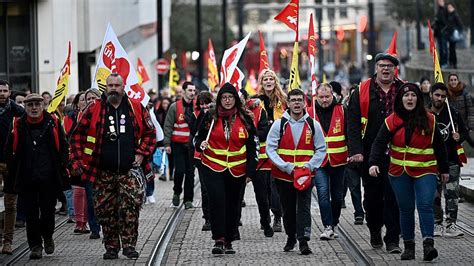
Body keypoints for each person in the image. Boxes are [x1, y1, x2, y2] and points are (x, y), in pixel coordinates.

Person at [69, 73, 156, 260]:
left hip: (129, 171)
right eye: (110, 85)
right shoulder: (94, 109)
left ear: (123, 87)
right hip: (102, 172)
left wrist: (141, 152)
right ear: (105, 87)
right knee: (106, 211)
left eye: (117, 85)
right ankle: (111, 247)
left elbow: (150, 132)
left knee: (130, 209)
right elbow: (76, 136)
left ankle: (129, 245)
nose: (114, 88)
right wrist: (79, 162)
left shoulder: (136, 107)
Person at [369, 83, 449, 261]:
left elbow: (440, 147)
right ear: (401, 99)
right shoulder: (392, 120)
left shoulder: (430, 119)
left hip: (425, 170)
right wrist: (373, 163)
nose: (410, 99)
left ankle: (428, 246)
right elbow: (379, 142)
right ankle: (409, 247)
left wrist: (444, 169)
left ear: (419, 99)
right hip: (399, 173)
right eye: (406, 96)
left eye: (413, 95)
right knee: (405, 209)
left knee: (424, 205)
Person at [347, 52, 403, 253]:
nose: (385, 69)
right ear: (376, 68)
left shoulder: (404, 90)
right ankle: (374, 230)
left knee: (394, 197)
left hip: (398, 154)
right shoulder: (361, 90)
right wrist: (356, 151)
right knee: (372, 198)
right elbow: (352, 123)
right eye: (382, 65)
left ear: (395, 69)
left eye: (389, 65)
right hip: (370, 154)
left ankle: (393, 239)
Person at [194, 83, 258, 254]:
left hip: (237, 169)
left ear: (235, 99)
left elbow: (253, 145)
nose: (227, 101)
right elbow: (197, 136)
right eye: (224, 97)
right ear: (219, 99)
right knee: (217, 201)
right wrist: (201, 143)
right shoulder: (210, 116)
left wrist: (251, 171)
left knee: (233, 203)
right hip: (213, 166)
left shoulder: (245, 117)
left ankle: (229, 239)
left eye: (230, 97)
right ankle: (219, 239)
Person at [5, 93, 70, 260]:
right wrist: (13, 171)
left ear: (43, 105)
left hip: (49, 178)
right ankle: (35, 246)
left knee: (48, 212)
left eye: (37, 104)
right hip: (27, 178)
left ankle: (47, 236)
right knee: (31, 214)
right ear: (25, 107)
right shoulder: (18, 125)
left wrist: (62, 164)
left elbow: (63, 146)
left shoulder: (53, 122)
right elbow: (9, 151)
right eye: (30, 105)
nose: (34, 108)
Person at [266, 88, 326, 255]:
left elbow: (321, 149)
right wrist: (286, 167)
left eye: (300, 100)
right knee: (288, 208)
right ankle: (291, 236)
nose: (297, 103)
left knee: (304, 208)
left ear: (305, 102)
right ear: (288, 103)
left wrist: (309, 166)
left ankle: (304, 241)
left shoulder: (314, 125)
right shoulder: (279, 124)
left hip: (306, 176)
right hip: (284, 176)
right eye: (294, 100)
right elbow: (270, 149)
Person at [308, 83, 347, 240]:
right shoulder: (310, 113)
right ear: (316, 97)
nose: (324, 100)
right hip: (319, 162)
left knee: (338, 196)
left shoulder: (342, 110)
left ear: (333, 96)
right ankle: (327, 226)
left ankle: (334, 221)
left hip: (339, 160)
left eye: (327, 97)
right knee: (323, 193)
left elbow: (349, 132)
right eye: (321, 97)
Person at [428, 83, 467, 238]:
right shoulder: (424, 113)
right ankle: (437, 224)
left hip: (451, 160)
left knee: (452, 194)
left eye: (443, 96)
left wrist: (460, 136)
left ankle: (451, 224)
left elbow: (464, 131)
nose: (440, 99)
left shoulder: (453, 113)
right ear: (431, 94)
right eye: (437, 95)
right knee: (434, 195)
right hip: (431, 162)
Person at [257, 68, 287, 233]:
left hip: (279, 150)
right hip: (261, 153)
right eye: (265, 79)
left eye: (271, 79)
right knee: (264, 189)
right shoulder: (255, 101)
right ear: (261, 83)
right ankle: (265, 216)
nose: (268, 82)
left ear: (275, 82)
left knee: (276, 187)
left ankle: (277, 216)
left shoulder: (283, 100)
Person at [241, 89, 273, 237]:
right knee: (235, 195)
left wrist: (248, 135)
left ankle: (266, 222)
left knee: (262, 194)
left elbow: (264, 131)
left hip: (259, 159)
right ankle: (233, 225)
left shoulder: (260, 112)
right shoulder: (228, 114)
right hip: (238, 160)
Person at [0, 80, 25, 255]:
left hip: (11, 164)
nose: (1, 93)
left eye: (4, 90)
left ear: (10, 92)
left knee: (10, 204)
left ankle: (7, 241)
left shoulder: (18, 112)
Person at [163, 81, 197, 208]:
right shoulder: (174, 107)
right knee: (179, 171)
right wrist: (167, 143)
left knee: (190, 173)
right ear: (183, 91)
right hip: (177, 144)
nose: (192, 93)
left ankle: (188, 200)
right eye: (190, 90)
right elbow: (168, 125)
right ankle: (177, 192)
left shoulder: (196, 107)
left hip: (191, 146)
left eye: (194, 91)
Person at [190, 91, 214, 231]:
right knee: (205, 189)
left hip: (216, 157)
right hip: (201, 157)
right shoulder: (196, 115)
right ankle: (207, 218)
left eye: (207, 103)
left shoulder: (216, 114)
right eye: (202, 103)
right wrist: (203, 116)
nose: (204, 106)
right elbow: (194, 132)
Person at [82, 87, 101, 239]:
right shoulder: (81, 118)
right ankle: (94, 228)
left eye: (93, 98)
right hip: (88, 165)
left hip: (104, 163)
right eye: (88, 99)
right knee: (90, 199)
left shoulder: (104, 115)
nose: (90, 101)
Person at [447, 73, 474, 147]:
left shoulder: (465, 95)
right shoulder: (447, 95)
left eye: (455, 80)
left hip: (464, 126)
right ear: (449, 82)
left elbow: (471, 111)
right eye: (451, 80)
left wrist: (470, 126)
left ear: (458, 81)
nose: (453, 82)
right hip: (452, 126)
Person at [445, 2, 463, 69]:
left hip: (453, 34)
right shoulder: (449, 15)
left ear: (453, 7)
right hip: (449, 35)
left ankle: (454, 63)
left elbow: (460, 25)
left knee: (452, 50)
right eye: (448, 8)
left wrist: (456, 30)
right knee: (451, 49)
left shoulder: (455, 15)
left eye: (450, 7)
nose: (449, 9)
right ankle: (451, 63)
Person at [433, 0, 448, 67]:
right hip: (438, 32)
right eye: (439, 1)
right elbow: (437, 21)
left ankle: (445, 62)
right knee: (440, 48)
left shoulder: (446, 9)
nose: (440, 2)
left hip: (444, 32)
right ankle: (441, 62)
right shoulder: (439, 10)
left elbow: (446, 21)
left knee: (444, 48)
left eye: (441, 1)